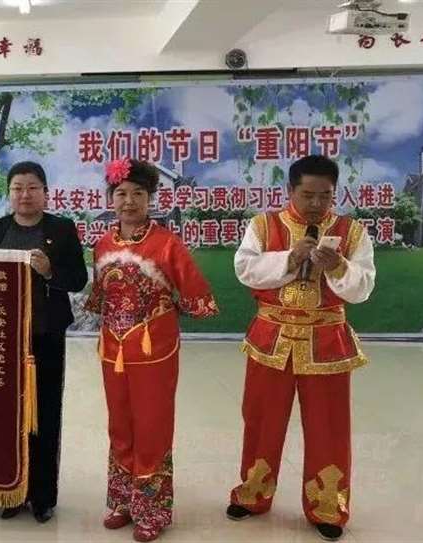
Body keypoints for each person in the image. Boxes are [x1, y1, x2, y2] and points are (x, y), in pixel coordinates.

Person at [226, 155, 376, 542]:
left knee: (330, 428)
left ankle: (328, 507)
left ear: (334, 194)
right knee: (260, 421)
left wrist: (338, 266)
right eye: (307, 195)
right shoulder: (264, 225)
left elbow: (363, 287)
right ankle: (252, 494)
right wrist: (290, 257)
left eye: (325, 196)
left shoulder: (352, 232)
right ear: (290, 190)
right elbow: (245, 269)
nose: (316, 203)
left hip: (327, 341)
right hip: (271, 337)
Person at [85, 158, 218, 542]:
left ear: (150, 198)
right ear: (111, 198)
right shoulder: (103, 244)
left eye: (138, 194)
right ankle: (123, 501)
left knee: (152, 424)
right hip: (113, 348)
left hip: (154, 348)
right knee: (119, 422)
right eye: (121, 193)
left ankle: (152, 509)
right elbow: (100, 297)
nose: (129, 201)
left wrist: (170, 309)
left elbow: (195, 294)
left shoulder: (167, 243)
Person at [0, 161, 88, 523]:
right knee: (6, 416)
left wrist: (49, 271)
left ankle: (42, 496)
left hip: (46, 334)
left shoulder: (61, 228)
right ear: (9, 194)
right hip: (3, 337)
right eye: (17, 188)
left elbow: (78, 279)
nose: (24, 195)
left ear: (45, 192)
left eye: (32, 187)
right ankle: (11, 491)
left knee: (45, 413)